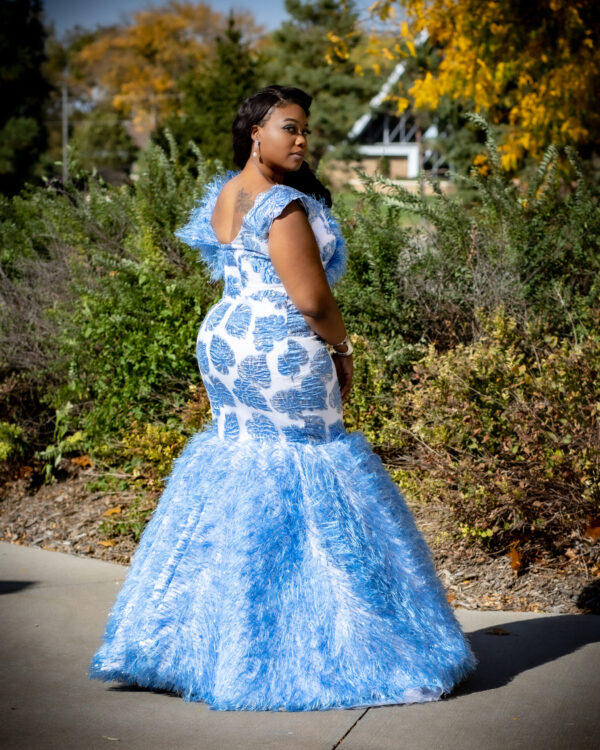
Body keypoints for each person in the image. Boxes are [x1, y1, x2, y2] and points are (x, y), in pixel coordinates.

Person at [88, 85, 478, 711]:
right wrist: (344, 350)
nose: (301, 141)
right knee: (308, 467)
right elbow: (314, 299)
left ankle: (191, 643)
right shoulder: (284, 207)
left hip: (226, 338)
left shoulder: (229, 193)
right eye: (289, 129)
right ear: (255, 132)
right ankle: (317, 648)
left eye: (305, 131)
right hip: (281, 349)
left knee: (241, 462)